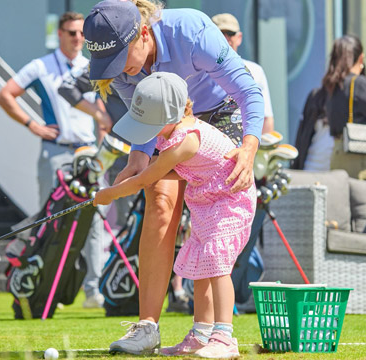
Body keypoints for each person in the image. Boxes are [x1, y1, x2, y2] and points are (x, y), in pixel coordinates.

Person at [83, 0, 264, 354]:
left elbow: (247, 91)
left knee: (210, 231)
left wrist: (249, 148)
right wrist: (138, 158)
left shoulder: (191, 32)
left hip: (218, 112)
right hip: (166, 122)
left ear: (144, 33)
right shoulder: (118, 69)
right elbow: (145, 119)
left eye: (122, 59)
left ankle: (220, 333)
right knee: (161, 202)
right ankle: (148, 327)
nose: (120, 71)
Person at [0, 11, 112, 309]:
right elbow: (6, 95)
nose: (77, 38)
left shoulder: (91, 66)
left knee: (96, 220)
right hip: (56, 151)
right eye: (71, 32)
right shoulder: (40, 66)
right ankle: (51, 287)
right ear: (59, 34)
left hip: (89, 153)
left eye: (81, 33)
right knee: (53, 220)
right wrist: (32, 125)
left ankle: (93, 291)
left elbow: (102, 114)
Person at [324, 35, 366, 182]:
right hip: (361, 157)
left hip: (338, 154)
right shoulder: (358, 83)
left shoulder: (332, 86)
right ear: (361, 58)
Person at [212, 13, 274, 134]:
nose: (225, 38)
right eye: (220, 34)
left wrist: (262, 151)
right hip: (209, 144)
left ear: (239, 37)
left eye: (230, 33)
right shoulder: (200, 70)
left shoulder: (255, 70)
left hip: (244, 144)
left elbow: (265, 116)